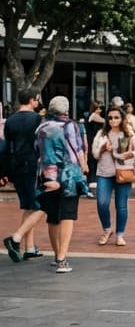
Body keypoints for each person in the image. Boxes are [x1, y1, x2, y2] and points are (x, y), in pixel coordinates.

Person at [35, 96, 91, 273]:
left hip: (46, 175)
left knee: (52, 216)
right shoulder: (71, 125)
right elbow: (77, 149)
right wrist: (83, 167)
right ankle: (62, 258)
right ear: (66, 109)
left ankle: (56, 254)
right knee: (67, 215)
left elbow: (37, 150)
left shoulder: (42, 127)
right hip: (68, 175)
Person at [3, 89, 46, 262]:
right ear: (32, 100)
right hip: (32, 164)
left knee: (28, 206)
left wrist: (4, 171)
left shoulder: (10, 120)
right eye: (37, 99)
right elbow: (40, 143)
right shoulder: (36, 119)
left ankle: (29, 247)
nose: (38, 102)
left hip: (16, 166)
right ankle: (16, 238)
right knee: (40, 204)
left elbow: (7, 146)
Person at [92, 105, 135, 247]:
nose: (113, 120)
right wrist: (102, 149)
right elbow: (94, 154)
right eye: (110, 117)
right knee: (102, 203)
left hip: (123, 172)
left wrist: (130, 155)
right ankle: (107, 229)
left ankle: (120, 234)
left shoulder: (128, 133)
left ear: (122, 118)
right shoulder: (101, 134)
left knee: (121, 206)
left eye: (116, 117)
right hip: (104, 173)